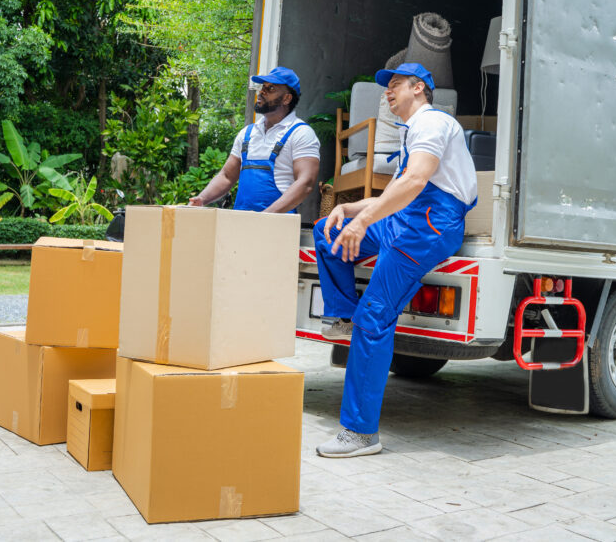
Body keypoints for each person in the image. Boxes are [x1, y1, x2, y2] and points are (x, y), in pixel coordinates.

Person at [313, 62, 477, 458]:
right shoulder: (412, 132)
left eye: (395, 85)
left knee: (375, 317)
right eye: (386, 87)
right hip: (405, 218)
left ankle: (360, 433)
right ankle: (342, 316)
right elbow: (398, 195)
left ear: (418, 88)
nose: (387, 92)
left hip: (428, 229)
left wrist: (365, 218)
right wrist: (349, 213)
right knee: (326, 231)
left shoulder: (433, 123)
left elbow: (415, 182)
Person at [189, 66, 320, 213]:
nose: (262, 92)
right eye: (263, 87)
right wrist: (202, 199)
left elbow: (306, 183)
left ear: (287, 98)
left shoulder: (301, 133)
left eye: (271, 88)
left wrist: (266, 216)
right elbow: (226, 176)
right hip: (241, 221)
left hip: (278, 224)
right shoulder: (247, 133)